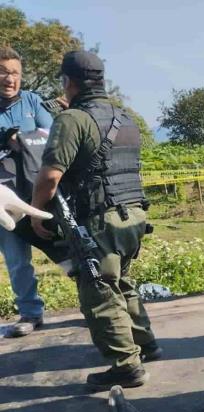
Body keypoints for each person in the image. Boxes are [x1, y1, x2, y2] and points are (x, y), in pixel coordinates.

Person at [30, 50, 159, 389]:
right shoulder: (124, 116)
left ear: (67, 81)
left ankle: (125, 365)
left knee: (99, 290)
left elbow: (50, 177)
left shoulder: (72, 120)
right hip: (133, 215)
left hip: (101, 218)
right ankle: (146, 342)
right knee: (122, 281)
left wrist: (36, 212)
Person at [0, 46, 52, 337]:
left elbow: (52, 133)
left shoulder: (33, 101)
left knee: (64, 249)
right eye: (4, 72)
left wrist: (24, 138)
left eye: (15, 73)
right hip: (4, 200)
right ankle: (30, 313)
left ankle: (93, 304)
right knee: (17, 258)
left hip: (38, 193)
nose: (10, 79)